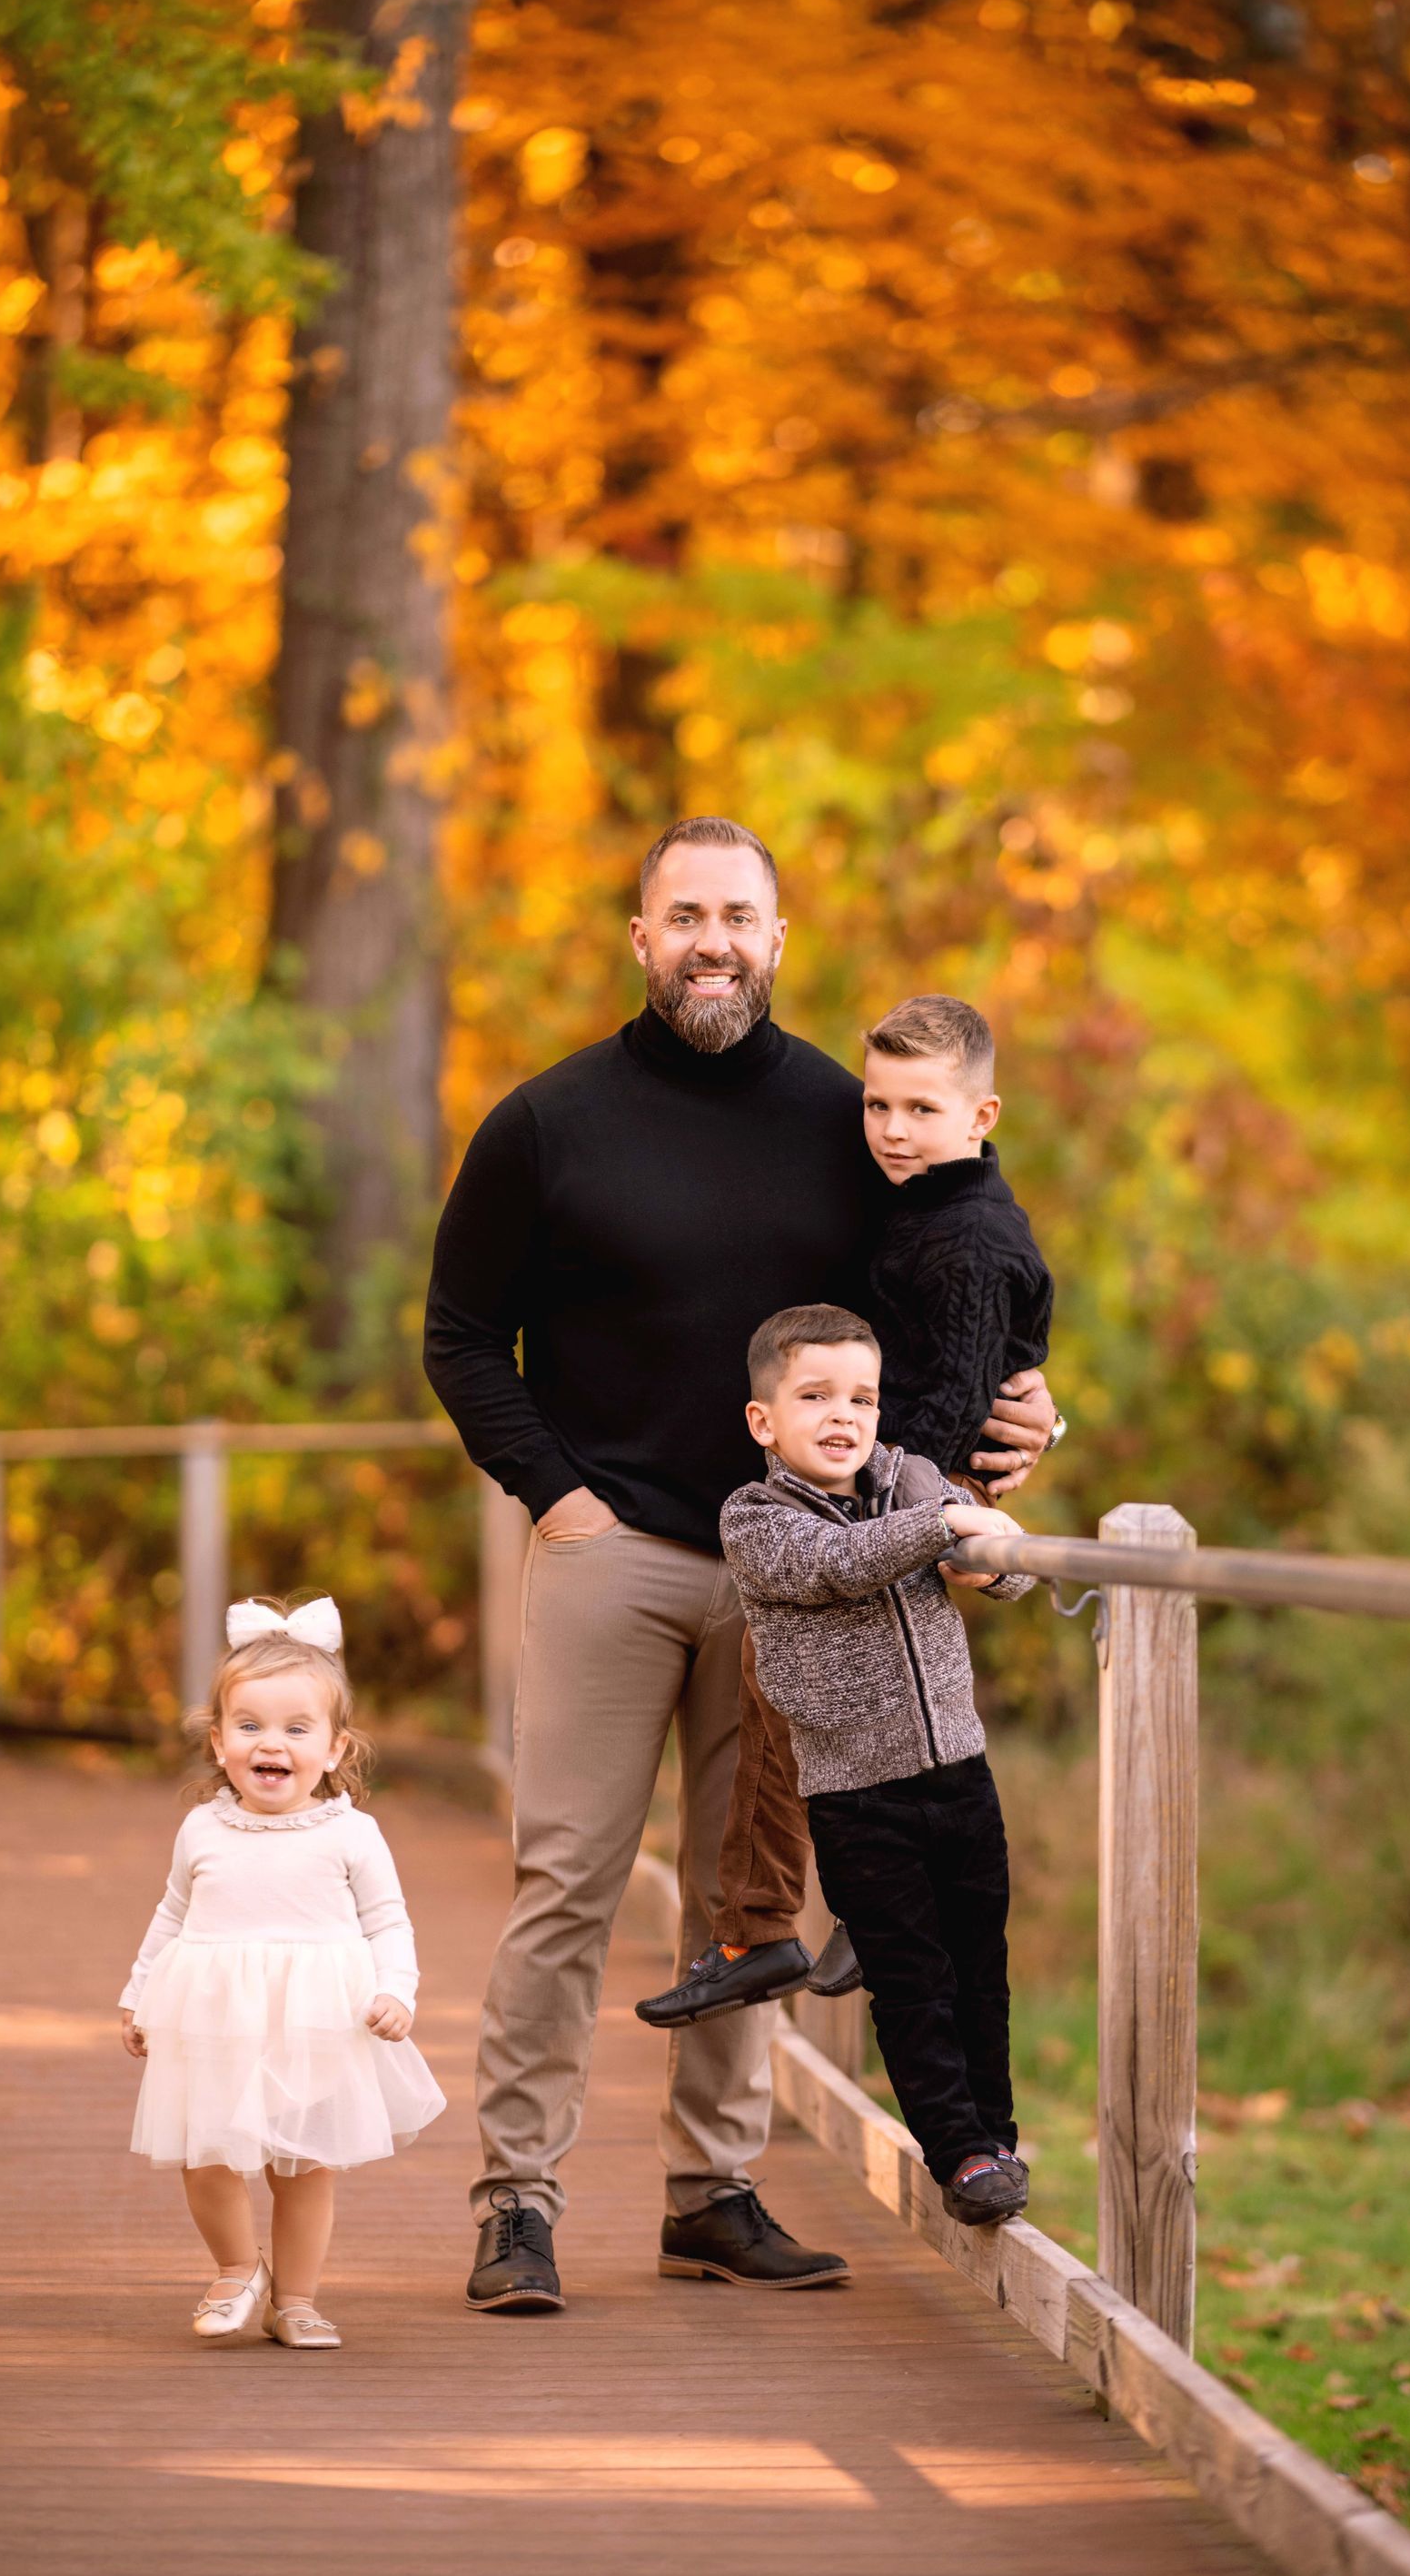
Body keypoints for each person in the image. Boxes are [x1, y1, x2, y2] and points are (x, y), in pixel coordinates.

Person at [424, 815, 1057, 2313]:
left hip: (806, 1571)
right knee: (564, 1878)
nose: (713, 938)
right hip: (618, 1550)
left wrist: (1023, 1407)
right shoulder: (545, 1122)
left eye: (741, 915)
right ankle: (516, 2200)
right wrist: (558, 1497)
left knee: (746, 1894)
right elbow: (461, 1336)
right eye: (684, 912)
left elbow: (955, 1291)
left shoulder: (854, 1124)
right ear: (641, 937)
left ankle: (714, 2190)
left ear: (779, 939)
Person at [639, 991, 1056, 2031]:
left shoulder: (968, 1238)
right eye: (879, 1107)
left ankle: (803, 1912)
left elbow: (958, 1395)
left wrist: (871, 1511)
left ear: (982, 1114)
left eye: (921, 1108)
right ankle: (760, 1922)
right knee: (790, 1700)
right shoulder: (918, 1205)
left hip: (900, 1500)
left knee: (864, 1712)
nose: (894, 1130)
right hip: (870, 1489)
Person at [717, 1304, 1036, 2226]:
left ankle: (999, 2133)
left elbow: (1008, 1570)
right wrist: (943, 1522)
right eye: (814, 1396)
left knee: (981, 1962)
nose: (844, 1415)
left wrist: (987, 1549)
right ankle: (958, 2149)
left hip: (959, 1772)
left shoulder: (913, 1479)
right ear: (763, 1420)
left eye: (862, 1395)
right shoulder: (758, 1518)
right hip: (857, 1793)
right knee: (910, 1975)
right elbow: (840, 1564)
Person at [119, 1595, 444, 2349]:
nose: (274, 1744)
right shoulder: (203, 1827)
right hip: (213, 2017)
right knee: (204, 2155)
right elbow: (171, 1914)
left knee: (304, 2167)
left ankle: (296, 2297)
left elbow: (388, 1921)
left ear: (334, 1748)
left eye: (298, 1729)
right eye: (251, 1726)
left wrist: (397, 1988)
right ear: (219, 1740)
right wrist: (137, 1995)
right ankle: (238, 2266)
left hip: (316, 2023)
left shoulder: (352, 1834)